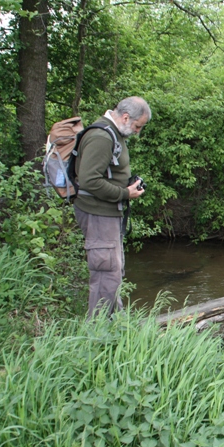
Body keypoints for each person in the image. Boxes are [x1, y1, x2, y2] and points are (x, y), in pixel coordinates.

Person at [74, 96, 151, 318]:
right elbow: (89, 181)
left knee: (114, 272)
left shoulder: (114, 134)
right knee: (105, 273)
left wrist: (126, 184)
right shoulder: (101, 137)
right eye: (138, 126)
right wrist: (124, 193)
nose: (138, 132)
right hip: (98, 214)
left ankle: (114, 324)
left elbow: (106, 174)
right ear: (126, 117)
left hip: (108, 213)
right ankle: (100, 333)